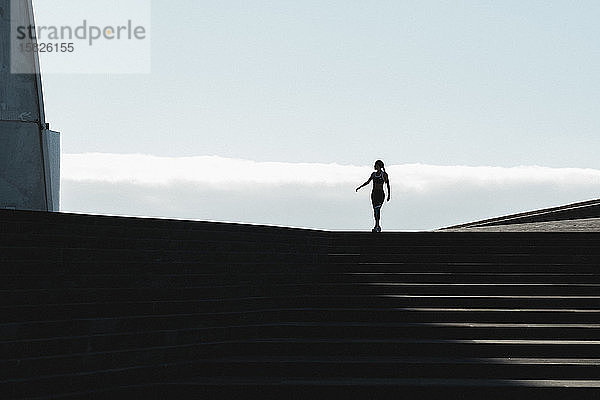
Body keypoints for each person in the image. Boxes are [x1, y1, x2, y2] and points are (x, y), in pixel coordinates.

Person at [356, 160, 391, 232]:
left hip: (380, 194)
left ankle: (377, 226)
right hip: (374, 194)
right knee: (375, 211)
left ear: (379, 166)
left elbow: (387, 185)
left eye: (375, 165)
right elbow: (368, 182)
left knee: (377, 210)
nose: (374, 166)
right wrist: (360, 187)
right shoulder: (373, 174)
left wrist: (389, 195)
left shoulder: (384, 174)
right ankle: (376, 225)